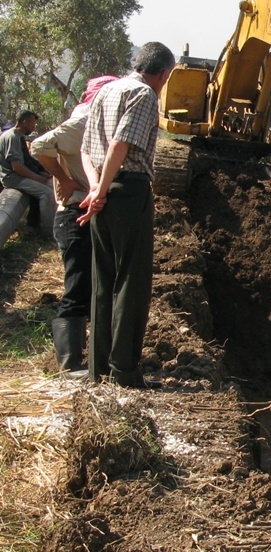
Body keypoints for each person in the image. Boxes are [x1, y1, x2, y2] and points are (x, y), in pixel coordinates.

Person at [79, 42, 176, 389]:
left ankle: (99, 369)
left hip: (102, 194)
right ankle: (124, 370)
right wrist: (103, 191)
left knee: (103, 281)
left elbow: (86, 149)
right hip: (128, 191)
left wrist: (94, 191)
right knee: (131, 282)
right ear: (164, 73)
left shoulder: (105, 91)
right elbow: (121, 146)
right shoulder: (145, 95)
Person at [30, 76, 119, 375]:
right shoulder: (82, 122)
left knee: (92, 285)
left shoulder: (94, 122)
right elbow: (39, 145)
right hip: (74, 214)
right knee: (78, 286)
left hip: (89, 213)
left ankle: (90, 358)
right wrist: (65, 180)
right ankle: (69, 363)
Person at [0, 110, 56, 233]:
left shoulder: (17, 136)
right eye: (33, 124)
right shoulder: (12, 137)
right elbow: (17, 167)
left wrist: (40, 172)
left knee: (48, 188)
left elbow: (26, 160)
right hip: (13, 178)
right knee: (47, 193)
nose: (34, 127)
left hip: (16, 176)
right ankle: (47, 229)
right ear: (25, 122)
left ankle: (33, 223)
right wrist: (37, 178)